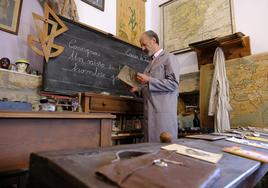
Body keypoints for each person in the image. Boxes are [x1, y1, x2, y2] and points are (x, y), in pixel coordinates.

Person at [131, 30, 180, 142]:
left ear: (153, 40)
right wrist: (137, 90)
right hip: (149, 116)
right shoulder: (149, 65)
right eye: (141, 46)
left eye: (144, 44)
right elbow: (149, 89)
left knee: (165, 151)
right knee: (151, 152)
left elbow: (173, 84)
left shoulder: (169, 58)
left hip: (163, 118)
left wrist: (149, 80)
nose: (142, 48)